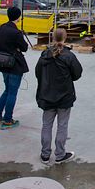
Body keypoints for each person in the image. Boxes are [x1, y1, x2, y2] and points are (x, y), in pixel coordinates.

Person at [36, 28, 83, 164]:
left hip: (47, 95)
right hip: (64, 96)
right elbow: (77, 73)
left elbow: (38, 73)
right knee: (62, 125)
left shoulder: (44, 54)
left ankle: (45, 154)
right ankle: (60, 154)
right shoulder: (68, 56)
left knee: (46, 125)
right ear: (65, 38)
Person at [0, 7, 29, 129]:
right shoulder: (16, 32)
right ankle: (7, 120)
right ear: (18, 17)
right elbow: (24, 47)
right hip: (14, 64)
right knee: (12, 92)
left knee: (7, 90)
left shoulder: (2, 28)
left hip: (3, 62)